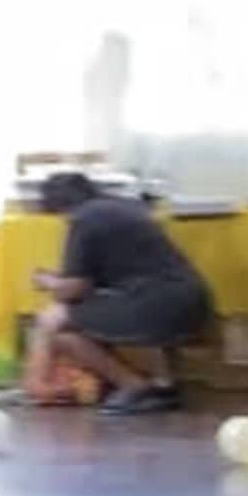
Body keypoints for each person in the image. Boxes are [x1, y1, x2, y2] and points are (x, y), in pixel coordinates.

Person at [27, 170, 211, 417]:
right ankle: (164, 385)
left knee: (54, 320)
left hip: (155, 307)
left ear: (57, 206)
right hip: (192, 302)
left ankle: (133, 387)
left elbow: (75, 288)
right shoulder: (126, 209)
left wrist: (47, 281)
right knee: (94, 311)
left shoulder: (84, 218)